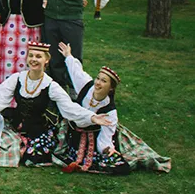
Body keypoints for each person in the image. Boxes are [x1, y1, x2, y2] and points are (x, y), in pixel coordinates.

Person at [0, 42, 111, 166]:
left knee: (33, 156)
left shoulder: (50, 85)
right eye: (31, 56)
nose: (34, 59)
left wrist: (92, 117)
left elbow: (69, 108)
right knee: (3, 147)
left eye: (38, 57)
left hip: (38, 129)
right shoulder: (17, 78)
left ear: (46, 60)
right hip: (15, 127)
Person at [53, 43, 170, 174]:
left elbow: (105, 137)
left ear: (111, 88)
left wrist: (107, 149)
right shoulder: (86, 86)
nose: (98, 83)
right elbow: (76, 71)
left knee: (116, 165)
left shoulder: (110, 111)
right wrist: (68, 55)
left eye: (104, 81)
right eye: (98, 78)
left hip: (93, 136)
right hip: (74, 130)